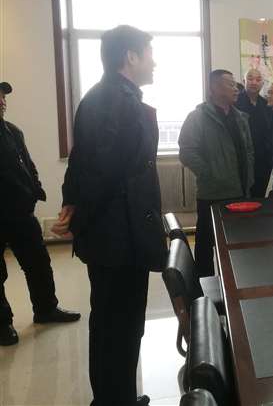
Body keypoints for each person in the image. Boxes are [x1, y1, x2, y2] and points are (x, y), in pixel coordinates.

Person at [52, 25, 167, 406]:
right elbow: (101, 171)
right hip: (119, 237)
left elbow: (81, 160)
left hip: (115, 233)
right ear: (130, 57)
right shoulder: (117, 101)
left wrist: (73, 203)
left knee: (116, 324)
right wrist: (79, 210)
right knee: (118, 325)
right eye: (149, 54)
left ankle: (117, 397)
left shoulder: (105, 97)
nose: (154, 63)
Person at [0, 82, 80, 346]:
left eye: (3, 96)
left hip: (21, 213)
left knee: (38, 264)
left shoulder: (13, 132)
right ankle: (2, 323)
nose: (2, 101)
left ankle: (46, 309)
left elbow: (28, 165)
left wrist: (35, 189)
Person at [179, 70, 254, 277]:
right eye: (230, 84)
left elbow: (249, 150)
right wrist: (210, 174)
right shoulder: (198, 118)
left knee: (236, 243)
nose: (236, 89)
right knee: (205, 243)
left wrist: (249, 179)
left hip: (240, 192)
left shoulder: (240, 117)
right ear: (214, 88)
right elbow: (187, 152)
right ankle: (204, 286)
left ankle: (234, 281)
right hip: (212, 194)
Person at [235, 69, 272, 198]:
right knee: (241, 198)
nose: (254, 82)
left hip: (263, 160)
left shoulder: (266, 104)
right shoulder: (235, 102)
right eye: (250, 79)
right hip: (241, 160)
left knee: (259, 196)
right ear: (244, 81)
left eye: (258, 79)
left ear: (262, 83)